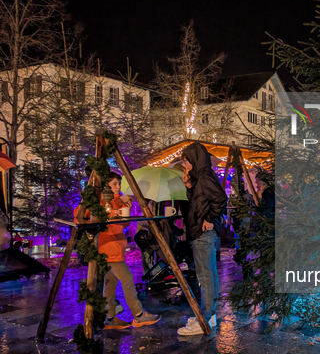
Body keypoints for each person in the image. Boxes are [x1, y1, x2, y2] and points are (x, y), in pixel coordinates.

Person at [75, 172, 161, 329]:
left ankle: (110, 317)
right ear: (105, 186)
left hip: (116, 247)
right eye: (114, 184)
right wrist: (118, 204)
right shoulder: (99, 201)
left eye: (118, 184)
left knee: (111, 282)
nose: (118, 187)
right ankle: (139, 314)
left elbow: (121, 225)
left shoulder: (117, 200)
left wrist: (124, 209)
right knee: (127, 279)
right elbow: (81, 214)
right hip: (107, 249)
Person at [176, 143, 227, 335]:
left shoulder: (205, 176)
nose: (185, 163)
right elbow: (197, 202)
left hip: (202, 231)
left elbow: (220, 199)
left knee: (205, 275)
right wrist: (189, 186)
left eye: (186, 160)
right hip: (200, 230)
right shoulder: (200, 177)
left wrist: (209, 219)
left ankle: (204, 317)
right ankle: (209, 314)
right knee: (209, 273)